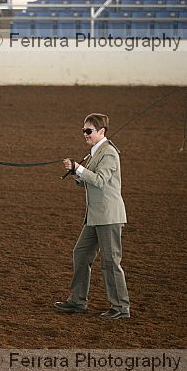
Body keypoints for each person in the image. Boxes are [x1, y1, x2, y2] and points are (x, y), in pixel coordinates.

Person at [55, 113, 130, 319]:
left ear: (102, 131)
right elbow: (88, 181)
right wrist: (76, 173)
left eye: (89, 131)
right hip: (95, 216)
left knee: (110, 261)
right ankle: (77, 301)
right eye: (84, 130)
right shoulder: (95, 153)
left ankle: (121, 307)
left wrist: (79, 168)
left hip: (108, 217)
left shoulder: (109, 153)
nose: (85, 134)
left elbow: (100, 180)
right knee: (81, 254)